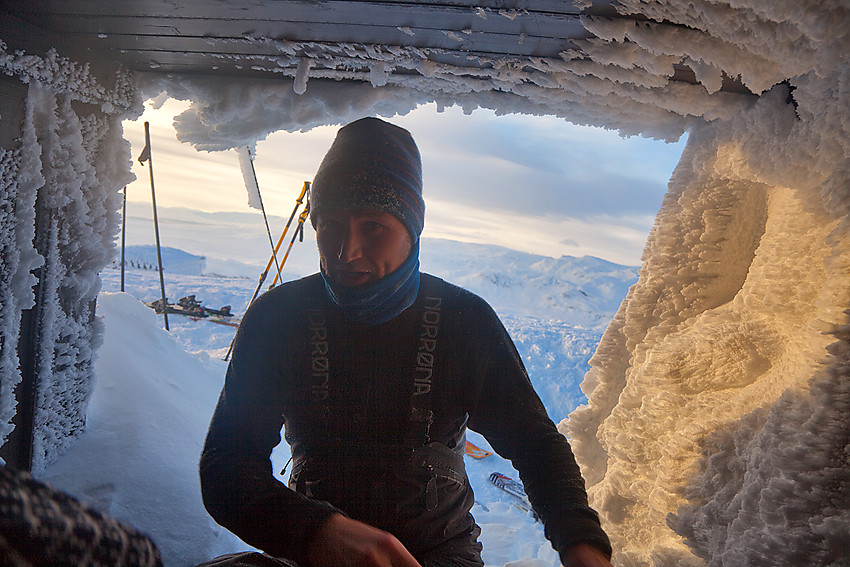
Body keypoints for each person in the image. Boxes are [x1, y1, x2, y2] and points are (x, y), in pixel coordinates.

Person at [199, 117, 613, 567]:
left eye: (373, 227)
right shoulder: (278, 319)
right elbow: (227, 464)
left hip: (438, 554)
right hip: (318, 552)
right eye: (331, 225)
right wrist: (316, 532)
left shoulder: (463, 322)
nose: (346, 251)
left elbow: (536, 446)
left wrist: (582, 546)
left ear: (411, 229)